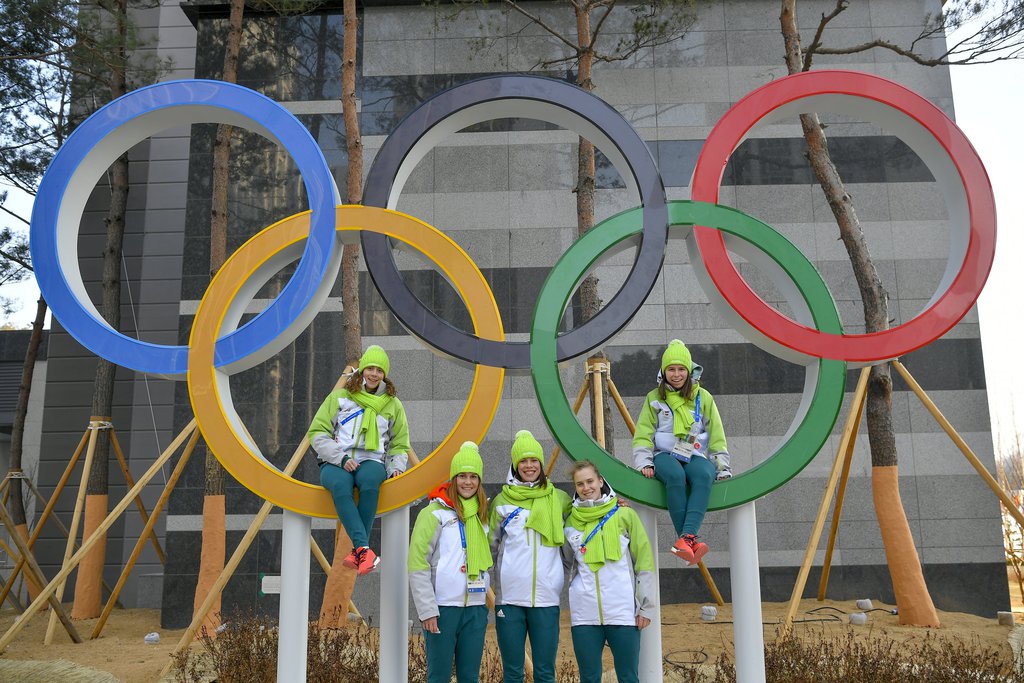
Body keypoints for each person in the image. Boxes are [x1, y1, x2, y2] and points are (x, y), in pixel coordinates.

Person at [308, 345, 410, 576]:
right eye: (370, 368)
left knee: (371, 479)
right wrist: (340, 457)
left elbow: (400, 443)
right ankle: (364, 548)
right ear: (362, 370)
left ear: (385, 375)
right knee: (341, 484)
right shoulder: (340, 397)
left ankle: (359, 552)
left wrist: (395, 467)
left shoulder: (392, 404)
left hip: (371, 459)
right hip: (335, 460)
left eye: (379, 370)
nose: (374, 374)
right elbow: (317, 433)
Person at [632, 339, 732, 564]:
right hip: (664, 455)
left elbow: (716, 433)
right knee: (675, 476)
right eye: (671, 369)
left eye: (681, 369)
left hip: (693, 454)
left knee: (705, 474)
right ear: (663, 371)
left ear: (689, 371)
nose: (676, 374)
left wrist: (722, 467)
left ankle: (685, 540)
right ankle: (688, 539)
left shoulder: (703, 397)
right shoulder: (654, 398)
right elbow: (644, 434)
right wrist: (644, 462)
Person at [488, 430, 572, 683]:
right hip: (510, 599)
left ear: (541, 463)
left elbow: (587, 515)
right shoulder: (502, 502)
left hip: (546, 598)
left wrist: (618, 504)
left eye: (534, 460)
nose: (529, 465)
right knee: (513, 673)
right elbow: (490, 547)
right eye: (523, 461)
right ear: (515, 464)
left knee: (545, 673)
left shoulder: (559, 499)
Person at [563, 460, 655, 683]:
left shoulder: (625, 515)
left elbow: (644, 562)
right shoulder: (570, 523)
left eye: (590, 481)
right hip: (584, 614)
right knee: (589, 678)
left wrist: (645, 606)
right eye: (580, 484)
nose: (586, 488)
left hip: (623, 612)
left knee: (628, 677)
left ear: (601, 481)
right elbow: (566, 563)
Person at [409, 441, 492, 683]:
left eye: (473, 476)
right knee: (439, 676)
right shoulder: (433, 513)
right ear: (453, 479)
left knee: (470, 677)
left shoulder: (482, 515)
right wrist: (427, 611)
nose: (468, 482)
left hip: (475, 608)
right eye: (462, 476)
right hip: (442, 609)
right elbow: (417, 564)